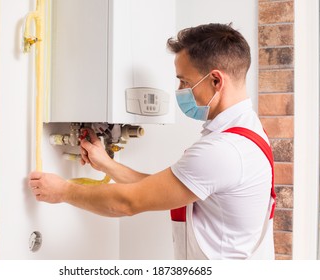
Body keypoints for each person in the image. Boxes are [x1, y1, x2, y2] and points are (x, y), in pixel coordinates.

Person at [28, 23, 275, 260]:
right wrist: (107, 165)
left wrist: (63, 191)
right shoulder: (248, 133)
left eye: (185, 82)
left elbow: (127, 202)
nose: (180, 90)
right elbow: (166, 188)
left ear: (216, 81)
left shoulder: (223, 150)